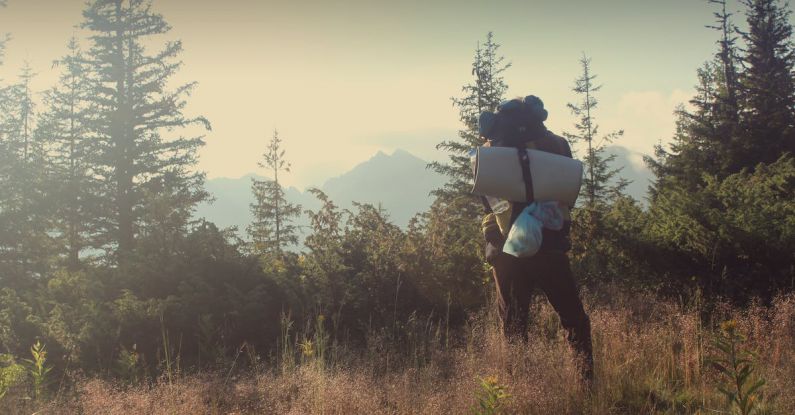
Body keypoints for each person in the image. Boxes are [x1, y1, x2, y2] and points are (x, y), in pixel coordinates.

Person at [479, 95, 593, 381]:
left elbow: (486, 202)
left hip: (506, 248)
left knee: (514, 325)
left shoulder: (489, 151)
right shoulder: (556, 145)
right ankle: (587, 385)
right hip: (549, 244)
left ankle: (518, 391)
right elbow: (570, 192)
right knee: (574, 319)